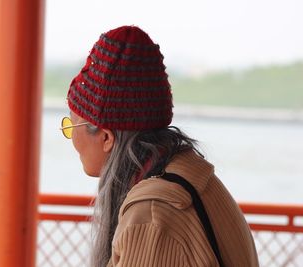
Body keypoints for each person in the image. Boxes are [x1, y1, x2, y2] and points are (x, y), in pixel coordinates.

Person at [60, 25, 259, 267]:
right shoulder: (190, 177)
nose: (71, 138)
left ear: (105, 137)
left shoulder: (152, 216)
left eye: (71, 126)